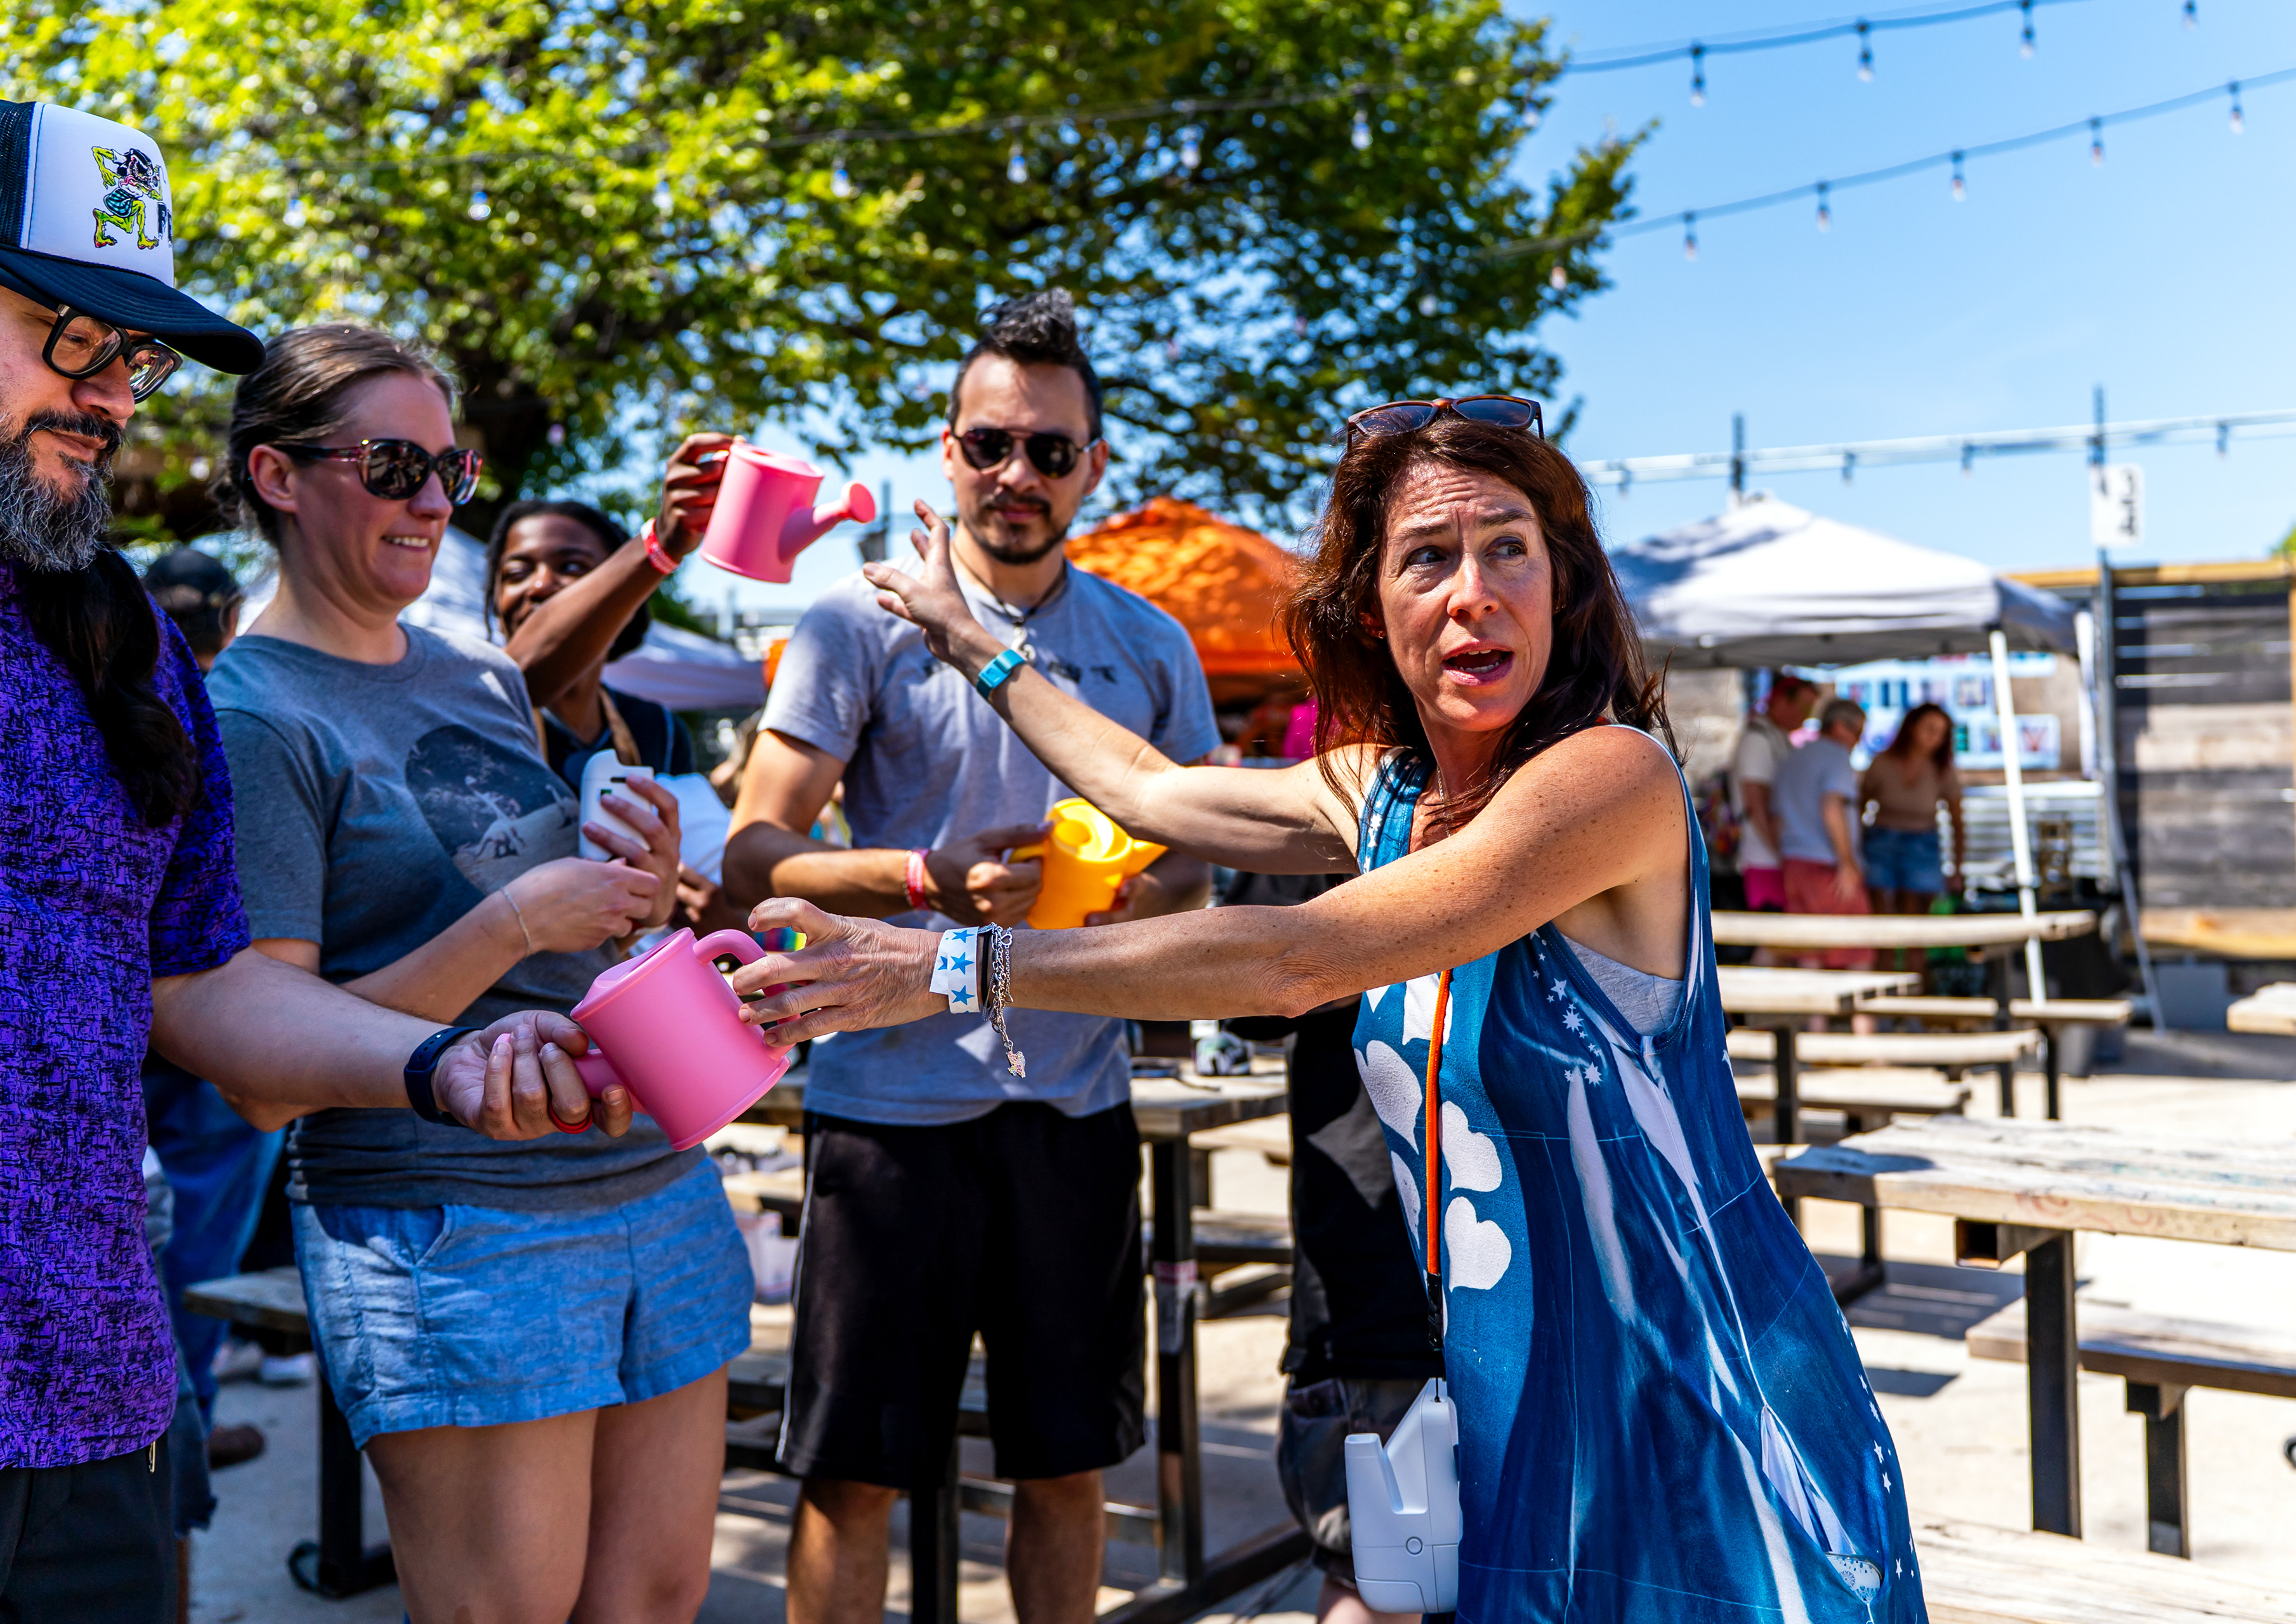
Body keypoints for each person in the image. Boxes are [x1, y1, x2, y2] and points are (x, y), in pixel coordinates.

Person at [730, 399, 1925, 1623]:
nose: (1474, 592)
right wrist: (963, 632)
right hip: (1504, 1389)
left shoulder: (1607, 776)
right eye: (1427, 558)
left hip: (1686, 1379)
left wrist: (945, 967)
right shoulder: (1385, 794)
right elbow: (1142, 784)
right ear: (1375, 611)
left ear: (1562, 585)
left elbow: (1298, 958)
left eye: (1509, 547)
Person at [0, 95, 606, 1624]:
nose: (117, 397)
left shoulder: (120, 638)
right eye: (74, 338)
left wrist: (438, 1062)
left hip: (92, 1408)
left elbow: (196, 984)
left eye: (134, 360)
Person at [207, 323, 752, 1624]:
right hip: (453, 1222)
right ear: (279, 476)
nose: (437, 501)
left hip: (652, 1179)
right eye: (395, 463)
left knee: (658, 1599)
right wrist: (511, 923)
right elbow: (270, 1061)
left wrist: (632, 882)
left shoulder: (478, 677)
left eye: (449, 465)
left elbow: (566, 937)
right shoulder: (251, 713)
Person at [721, 289, 1219, 1624]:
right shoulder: (855, 621)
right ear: (947, 450)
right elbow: (751, 856)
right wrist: (924, 875)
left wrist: (1120, 894)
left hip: (1076, 1102)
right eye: (991, 444)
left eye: (1051, 450)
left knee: (1067, 1465)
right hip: (888, 1105)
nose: (1018, 474)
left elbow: (1201, 866)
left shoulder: (1148, 643)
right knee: (849, 1476)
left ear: (1094, 468)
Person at [1221, 872, 1441, 1624]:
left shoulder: (1568, 781)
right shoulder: (1343, 804)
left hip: (1534, 1276)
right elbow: (1242, 990)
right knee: (1383, 1581)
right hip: (1381, 1280)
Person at [135, 547, 281, 1469]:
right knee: (198, 1250)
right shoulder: (236, 708)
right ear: (230, 625)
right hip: (224, 1023)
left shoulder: (111, 689)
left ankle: (173, 1433)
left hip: (132, 1026)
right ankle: (182, 1426)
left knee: (146, 1240)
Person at [485, 485, 744, 934]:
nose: (541, 585)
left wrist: (696, 910)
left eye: (571, 568)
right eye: (516, 573)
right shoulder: (477, 713)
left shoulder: (658, 730)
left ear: (622, 590)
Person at [1774, 697, 1875, 970]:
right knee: (1857, 951)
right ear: (1841, 727)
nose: (1858, 741)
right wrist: (1847, 862)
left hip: (1793, 863)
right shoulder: (1837, 756)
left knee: (1810, 950)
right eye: (1858, 732)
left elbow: (1777, 819)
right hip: (1828, 866)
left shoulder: (1792, 759)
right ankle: (1862, 1015)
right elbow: (1832, 807)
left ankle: (1816, 1016)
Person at [1860, 702, 1964, 924]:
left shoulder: (1943, 769)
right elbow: (1860, 806)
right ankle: (1885, 960)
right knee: (1881, 922)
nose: (1934, 738)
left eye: (1941, 733)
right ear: (1912, 727)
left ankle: (1914, 961)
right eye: (1929, 729)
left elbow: (1958, 822)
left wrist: (1957, 868)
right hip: (1881, 842)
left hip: (1923, 844)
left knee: (1917, 925)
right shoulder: (1882, 763)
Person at [1728, 671, 1817, 911]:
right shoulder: (1758, 739)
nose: (1807, 715)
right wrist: (1779, 853)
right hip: (1765, 857)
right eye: (1804, 707)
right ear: (1780, 702)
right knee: (1775, 938)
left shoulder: (1778, 737)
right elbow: (1756, 804)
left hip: (1775, 853)